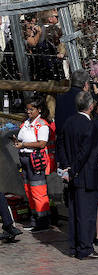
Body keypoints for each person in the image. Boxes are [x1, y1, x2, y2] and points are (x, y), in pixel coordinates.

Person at [57, 91, 98, 261]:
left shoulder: (69, 122)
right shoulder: (89, 125)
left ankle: (75, 246)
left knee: (75, 212)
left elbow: (60, 144)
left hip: (73, 174)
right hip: (85, 175)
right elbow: (84, 153)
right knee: (86, 214)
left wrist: (65, 166)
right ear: (91, 107)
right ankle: (85, 248)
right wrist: (72, 170)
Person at [15, 97, 53, 231]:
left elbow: (42, 143)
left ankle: (43, 222)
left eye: (31, 109)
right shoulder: (26, 123)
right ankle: (34, 219)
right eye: (27, 109)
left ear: (39, 110)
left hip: (35, 160)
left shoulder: (42, 125)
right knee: (28, 190)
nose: (28, 112)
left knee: (38, 191)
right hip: (24, 159)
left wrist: (24, 144)